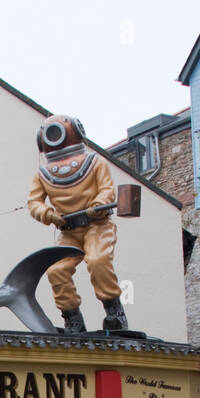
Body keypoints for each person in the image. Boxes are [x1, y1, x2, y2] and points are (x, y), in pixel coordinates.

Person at [26, 116, 128, 334]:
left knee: (98, 260)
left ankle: (114, 312)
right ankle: (72, 318)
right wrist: (48, 214)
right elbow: (34, 202)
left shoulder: (94, 162)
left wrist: (99, 204)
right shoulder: (43, 174)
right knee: (56, 270)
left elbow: (106, 190)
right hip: (68, 231)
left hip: (96, 225)